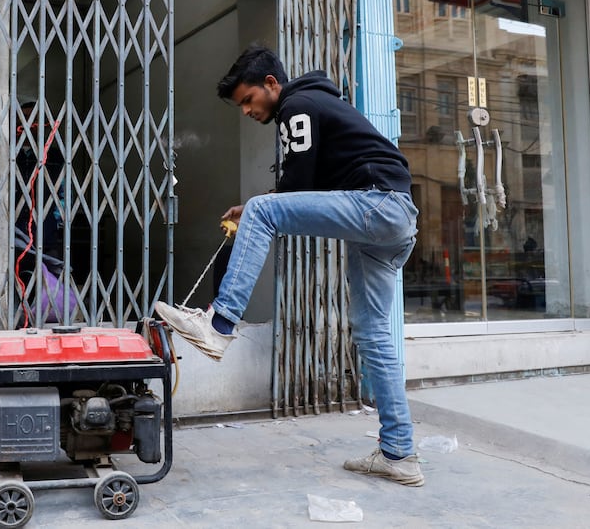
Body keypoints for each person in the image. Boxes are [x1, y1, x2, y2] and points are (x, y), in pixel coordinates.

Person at [154, 46, 422, 486]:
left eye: (248, 100)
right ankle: (400, 453)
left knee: (262, 210)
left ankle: (218, 327)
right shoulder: (319, 102)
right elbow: (303, 186)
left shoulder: (296, 104)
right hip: (395, 216)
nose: (245, 110)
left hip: (377, 205)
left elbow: (296, 185)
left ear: (272, 85)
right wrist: (259, 209)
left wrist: (258, 209)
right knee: (373, 332)